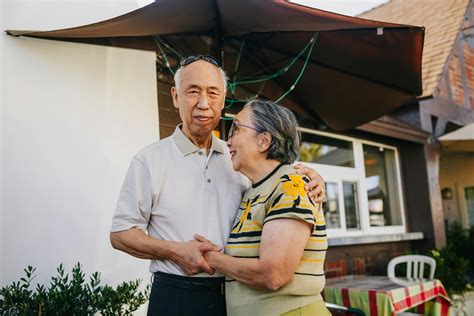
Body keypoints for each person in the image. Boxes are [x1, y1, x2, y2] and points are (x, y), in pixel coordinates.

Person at [109, 55, 325, 316]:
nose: (203, 103)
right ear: (176, 97)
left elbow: (276, 186)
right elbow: (121, 234)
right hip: (178, 296)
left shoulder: (238, 157)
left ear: (223, 100)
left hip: (239, 294)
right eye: (192, 92)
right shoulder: (149, 161)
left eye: (213, 93)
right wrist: (177, 252)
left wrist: (311, 176)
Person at [198, 100, 330, 316]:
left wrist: (211, 258)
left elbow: (273, 275)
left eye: (236, 128)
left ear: (263, 140)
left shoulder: (291, 186)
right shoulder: (255, 190)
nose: (227, 140)